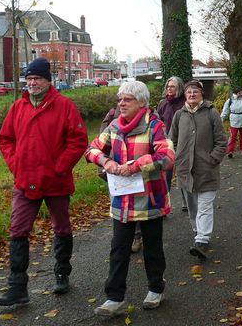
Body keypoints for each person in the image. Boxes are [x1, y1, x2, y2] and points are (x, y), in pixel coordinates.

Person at [0, 57, 88, 306]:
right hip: (25, 180)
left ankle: (62, 274)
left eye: (37, 78)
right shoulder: (18, 107)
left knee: (62, 228)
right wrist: (17, 165)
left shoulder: (64, 105)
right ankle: (17, 288)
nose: (32, 83)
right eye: (29, 79)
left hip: (55, 181)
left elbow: (78, 140)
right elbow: (5, 139)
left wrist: (59, 168)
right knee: (18, 230)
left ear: (48, 80)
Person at [86, 80, 175, 315]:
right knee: (118, 249)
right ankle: (114, 298)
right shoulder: (114, 126)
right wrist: (106, 161)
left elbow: (167, 157)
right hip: (122, 201)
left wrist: (135, 166)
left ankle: (156, 289)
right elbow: (91, 149)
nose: (121, 104)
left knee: (152, 248)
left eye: (127, 100)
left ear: (142, 103)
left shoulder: (154, 125)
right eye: (119, 99)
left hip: (150, 198)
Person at [169, 80, 227, 260]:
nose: (192, 95)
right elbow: (172, 140)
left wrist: (212, 159)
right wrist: (178, 158)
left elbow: (221, 141)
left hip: (206, 169)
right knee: (193, 207)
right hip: (185, 170)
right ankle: (198, 232)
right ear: (185, 95)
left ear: (202, 94)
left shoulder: (211, 113)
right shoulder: (179, 115)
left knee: (204, 206)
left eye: (195, 92)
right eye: (188, 92)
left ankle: (202, 239)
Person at [157, 76, 187, 212]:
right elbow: (158, 122)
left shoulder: (185, 103)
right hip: (166, 144)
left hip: (183, 143)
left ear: (179, 88)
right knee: (165, 176)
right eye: (168, 86)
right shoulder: (163, 103)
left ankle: (187, 202)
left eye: (172, 86)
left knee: (183, 173)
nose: (169, 89)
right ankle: (164, 206)